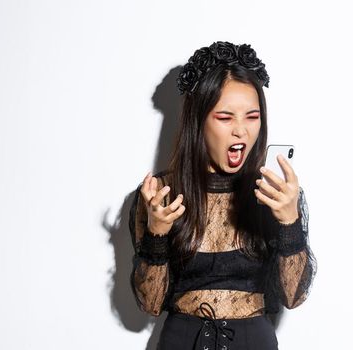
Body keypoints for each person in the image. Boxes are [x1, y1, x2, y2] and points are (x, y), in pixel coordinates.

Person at [129, 41, 315, 350]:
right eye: (226, 118)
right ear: (198, 121)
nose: (241, 131)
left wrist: (288, 222)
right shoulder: (160, 194)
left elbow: (293, 296)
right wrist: (157, 234)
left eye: (252, 117)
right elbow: (149, 304)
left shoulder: (276, 194)